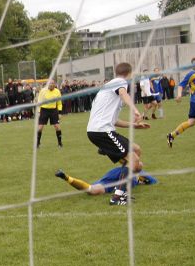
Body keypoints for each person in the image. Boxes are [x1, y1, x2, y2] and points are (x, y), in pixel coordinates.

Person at [86, 62, 149, 205]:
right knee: (133, 160)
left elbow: (113, 120)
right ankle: (118, 196)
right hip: (102, 131)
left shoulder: (110, 87)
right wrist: (135, 110)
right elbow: (123, 93)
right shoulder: (119, 83)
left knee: (136, 150)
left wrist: (134, 125)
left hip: (102, 130)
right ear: (130, 74)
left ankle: (126, 176)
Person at [55, 166, 158, 195]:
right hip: (111, 179)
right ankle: (66, 177)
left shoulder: (136, 179)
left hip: (112, 185)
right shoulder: (129, 170)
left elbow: (153, 181)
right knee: (92, 191)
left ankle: (65, 177)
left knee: (92, 191)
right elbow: (154, 181)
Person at [35, 77, 63, 148]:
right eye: (50, 83)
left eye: (53, 83)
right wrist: (38, 112)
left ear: (55, 84)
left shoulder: (57, 91)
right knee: (40, 127)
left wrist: (59, 112)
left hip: (53, 110)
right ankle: (37, 143)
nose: (51, 85)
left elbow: (59, 103)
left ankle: (60, 143)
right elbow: (39, 102)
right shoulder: (43, 91)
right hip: (44, 110)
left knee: (57, 127)